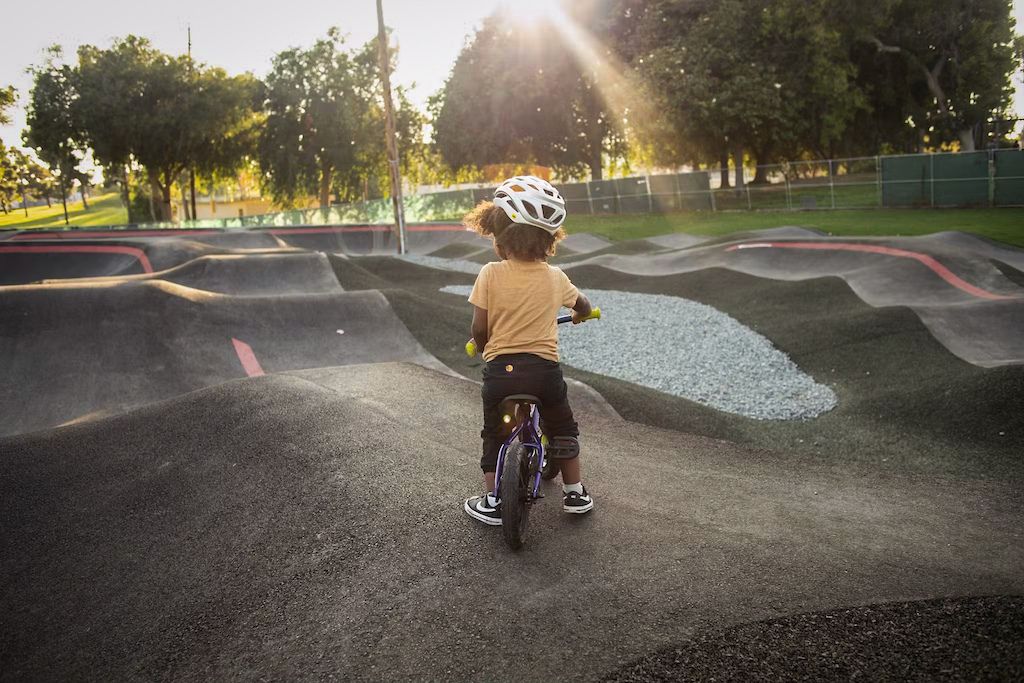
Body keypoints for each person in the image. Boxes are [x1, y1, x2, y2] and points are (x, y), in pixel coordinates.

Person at [461, 175, 595, 525]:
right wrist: (580, 314)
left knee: (494, 433)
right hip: (543, 374)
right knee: (562, 427)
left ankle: (493, 500)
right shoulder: (555, 277)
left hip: (500, 373)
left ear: (499, 236)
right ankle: (575, 493)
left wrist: (484, 345)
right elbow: (582, 304)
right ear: (550, 240)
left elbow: (479, 328)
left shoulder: (490, 274)